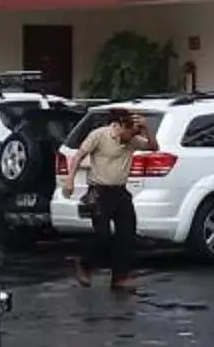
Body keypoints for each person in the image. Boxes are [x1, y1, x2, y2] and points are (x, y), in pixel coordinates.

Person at [63, 107, 156, 290]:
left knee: (127, 234)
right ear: (120, 126)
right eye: (129, 134)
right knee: (102, 235)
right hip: (99, 192)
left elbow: (153, 147)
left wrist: (146, 129)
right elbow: (78, 156)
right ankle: (84, 265)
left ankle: (120, 277)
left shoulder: (132, 140)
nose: (130, 139)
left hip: (120, 193)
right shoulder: (100, 135)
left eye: (133, 135)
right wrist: (70, 181)